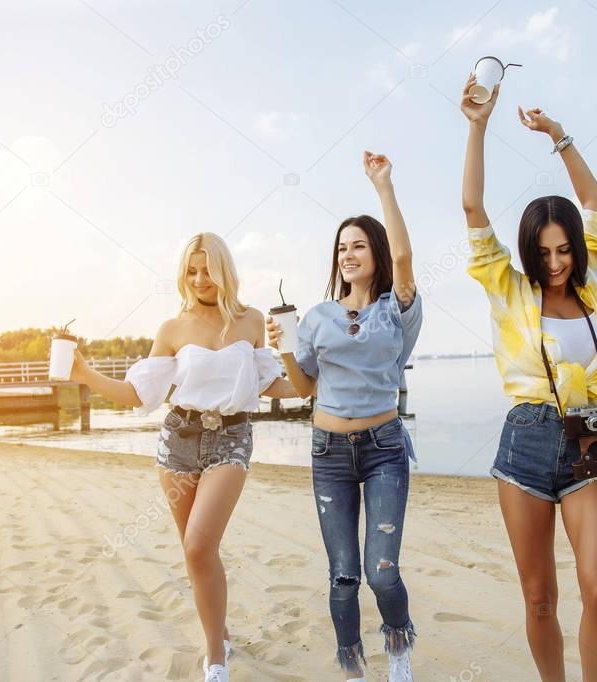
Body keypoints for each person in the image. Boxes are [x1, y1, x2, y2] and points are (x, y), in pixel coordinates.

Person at [460, 73, 597, 682]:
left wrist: (558, 136)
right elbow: (474, 210)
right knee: (539, 597)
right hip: (525, 442)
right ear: (530, 252)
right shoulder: (510, 287)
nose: (555, 264)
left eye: (564, 250)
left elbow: (596, 202)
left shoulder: (596, 279)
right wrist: (478, 125)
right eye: (545, 253)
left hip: (592, 438)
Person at [70, 232, 297, 682]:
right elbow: (138, 392)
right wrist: (83, 372)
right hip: (178, 441)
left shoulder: (252, 321)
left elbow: (275, 385)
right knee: (196, 555)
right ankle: (220, 633)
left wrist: (323, 381)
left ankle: (215, 658)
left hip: (230, 439)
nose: (199, 279)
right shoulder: (173, 329)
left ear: (223, 271)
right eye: (190, 272)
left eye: (206, 270)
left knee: (198, 545)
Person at [266, 151, 422, 682]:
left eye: (358, 245)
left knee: (382, 571)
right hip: (329, 453)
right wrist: (283, 350)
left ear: (374, 251)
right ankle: (353, 668)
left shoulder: (395, 309)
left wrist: (384, 186)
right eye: (341, 248)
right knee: (343, 577)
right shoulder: (317, 317)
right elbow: (305, 385)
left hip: (383, 449)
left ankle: (398, 650)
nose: (348, 254)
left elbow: (403, 260)